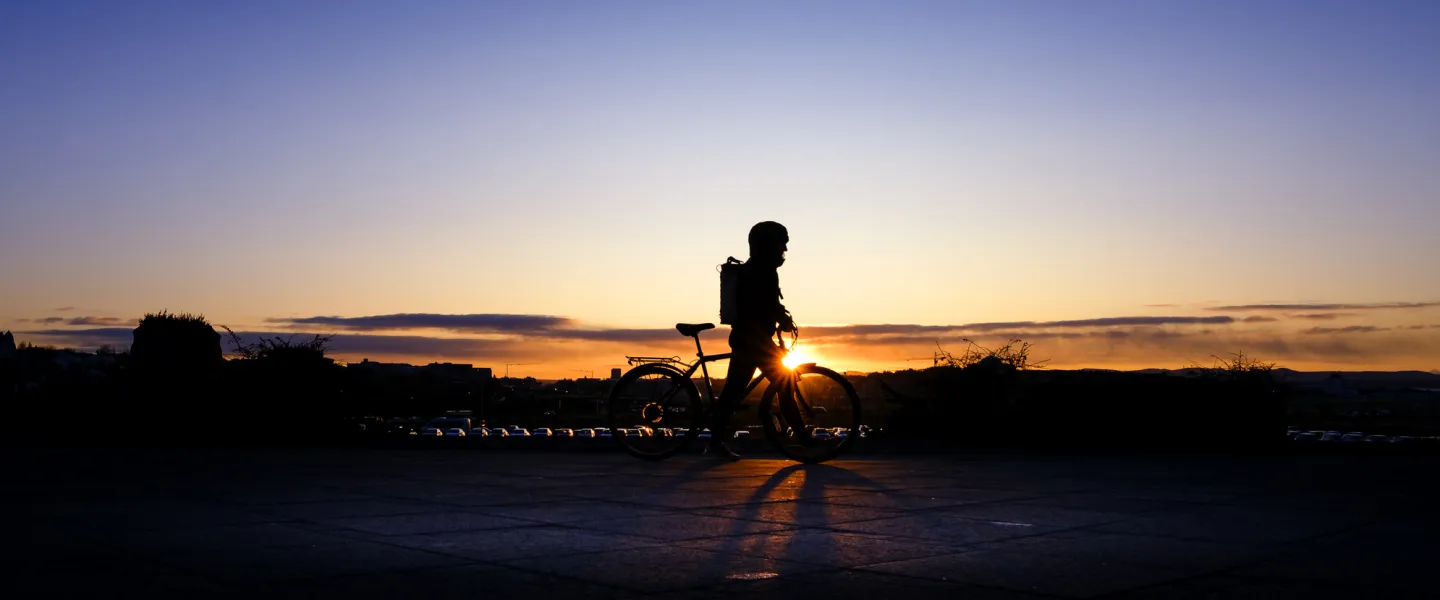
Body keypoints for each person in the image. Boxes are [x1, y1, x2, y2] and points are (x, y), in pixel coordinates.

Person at [707, 221, 801, 459]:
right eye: (781, 244)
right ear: (767, 245)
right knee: (784, 383)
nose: (785, 250)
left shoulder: (756, 268)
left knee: (733, 393)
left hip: (750, 339)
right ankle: (804, 438)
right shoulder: (762, 271)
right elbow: (766, 303)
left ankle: (715, 442)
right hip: (753, 341)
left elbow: (766, 304)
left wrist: (780, 316)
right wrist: (784, 319)